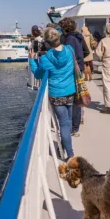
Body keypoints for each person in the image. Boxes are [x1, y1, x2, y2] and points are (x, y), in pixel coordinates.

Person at [29, 27, 75, 159]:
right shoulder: (69, 50)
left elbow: (38, 74)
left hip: (56, 94)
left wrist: (32, 60)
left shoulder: (45, 58)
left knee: (64, 124)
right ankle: (65, 148)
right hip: (70, 91)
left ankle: (70, 154)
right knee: (68, 122)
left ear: (47, 43)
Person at [59, 18, 89, 136]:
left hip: (72, 71)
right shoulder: (79, 37)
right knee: (77, 96)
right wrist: (80, 61)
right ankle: (76, 123)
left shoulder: (69, 39)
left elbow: (67, 56)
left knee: (74, 98)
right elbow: (86, 52)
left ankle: (74, 126)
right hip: (78, 69)